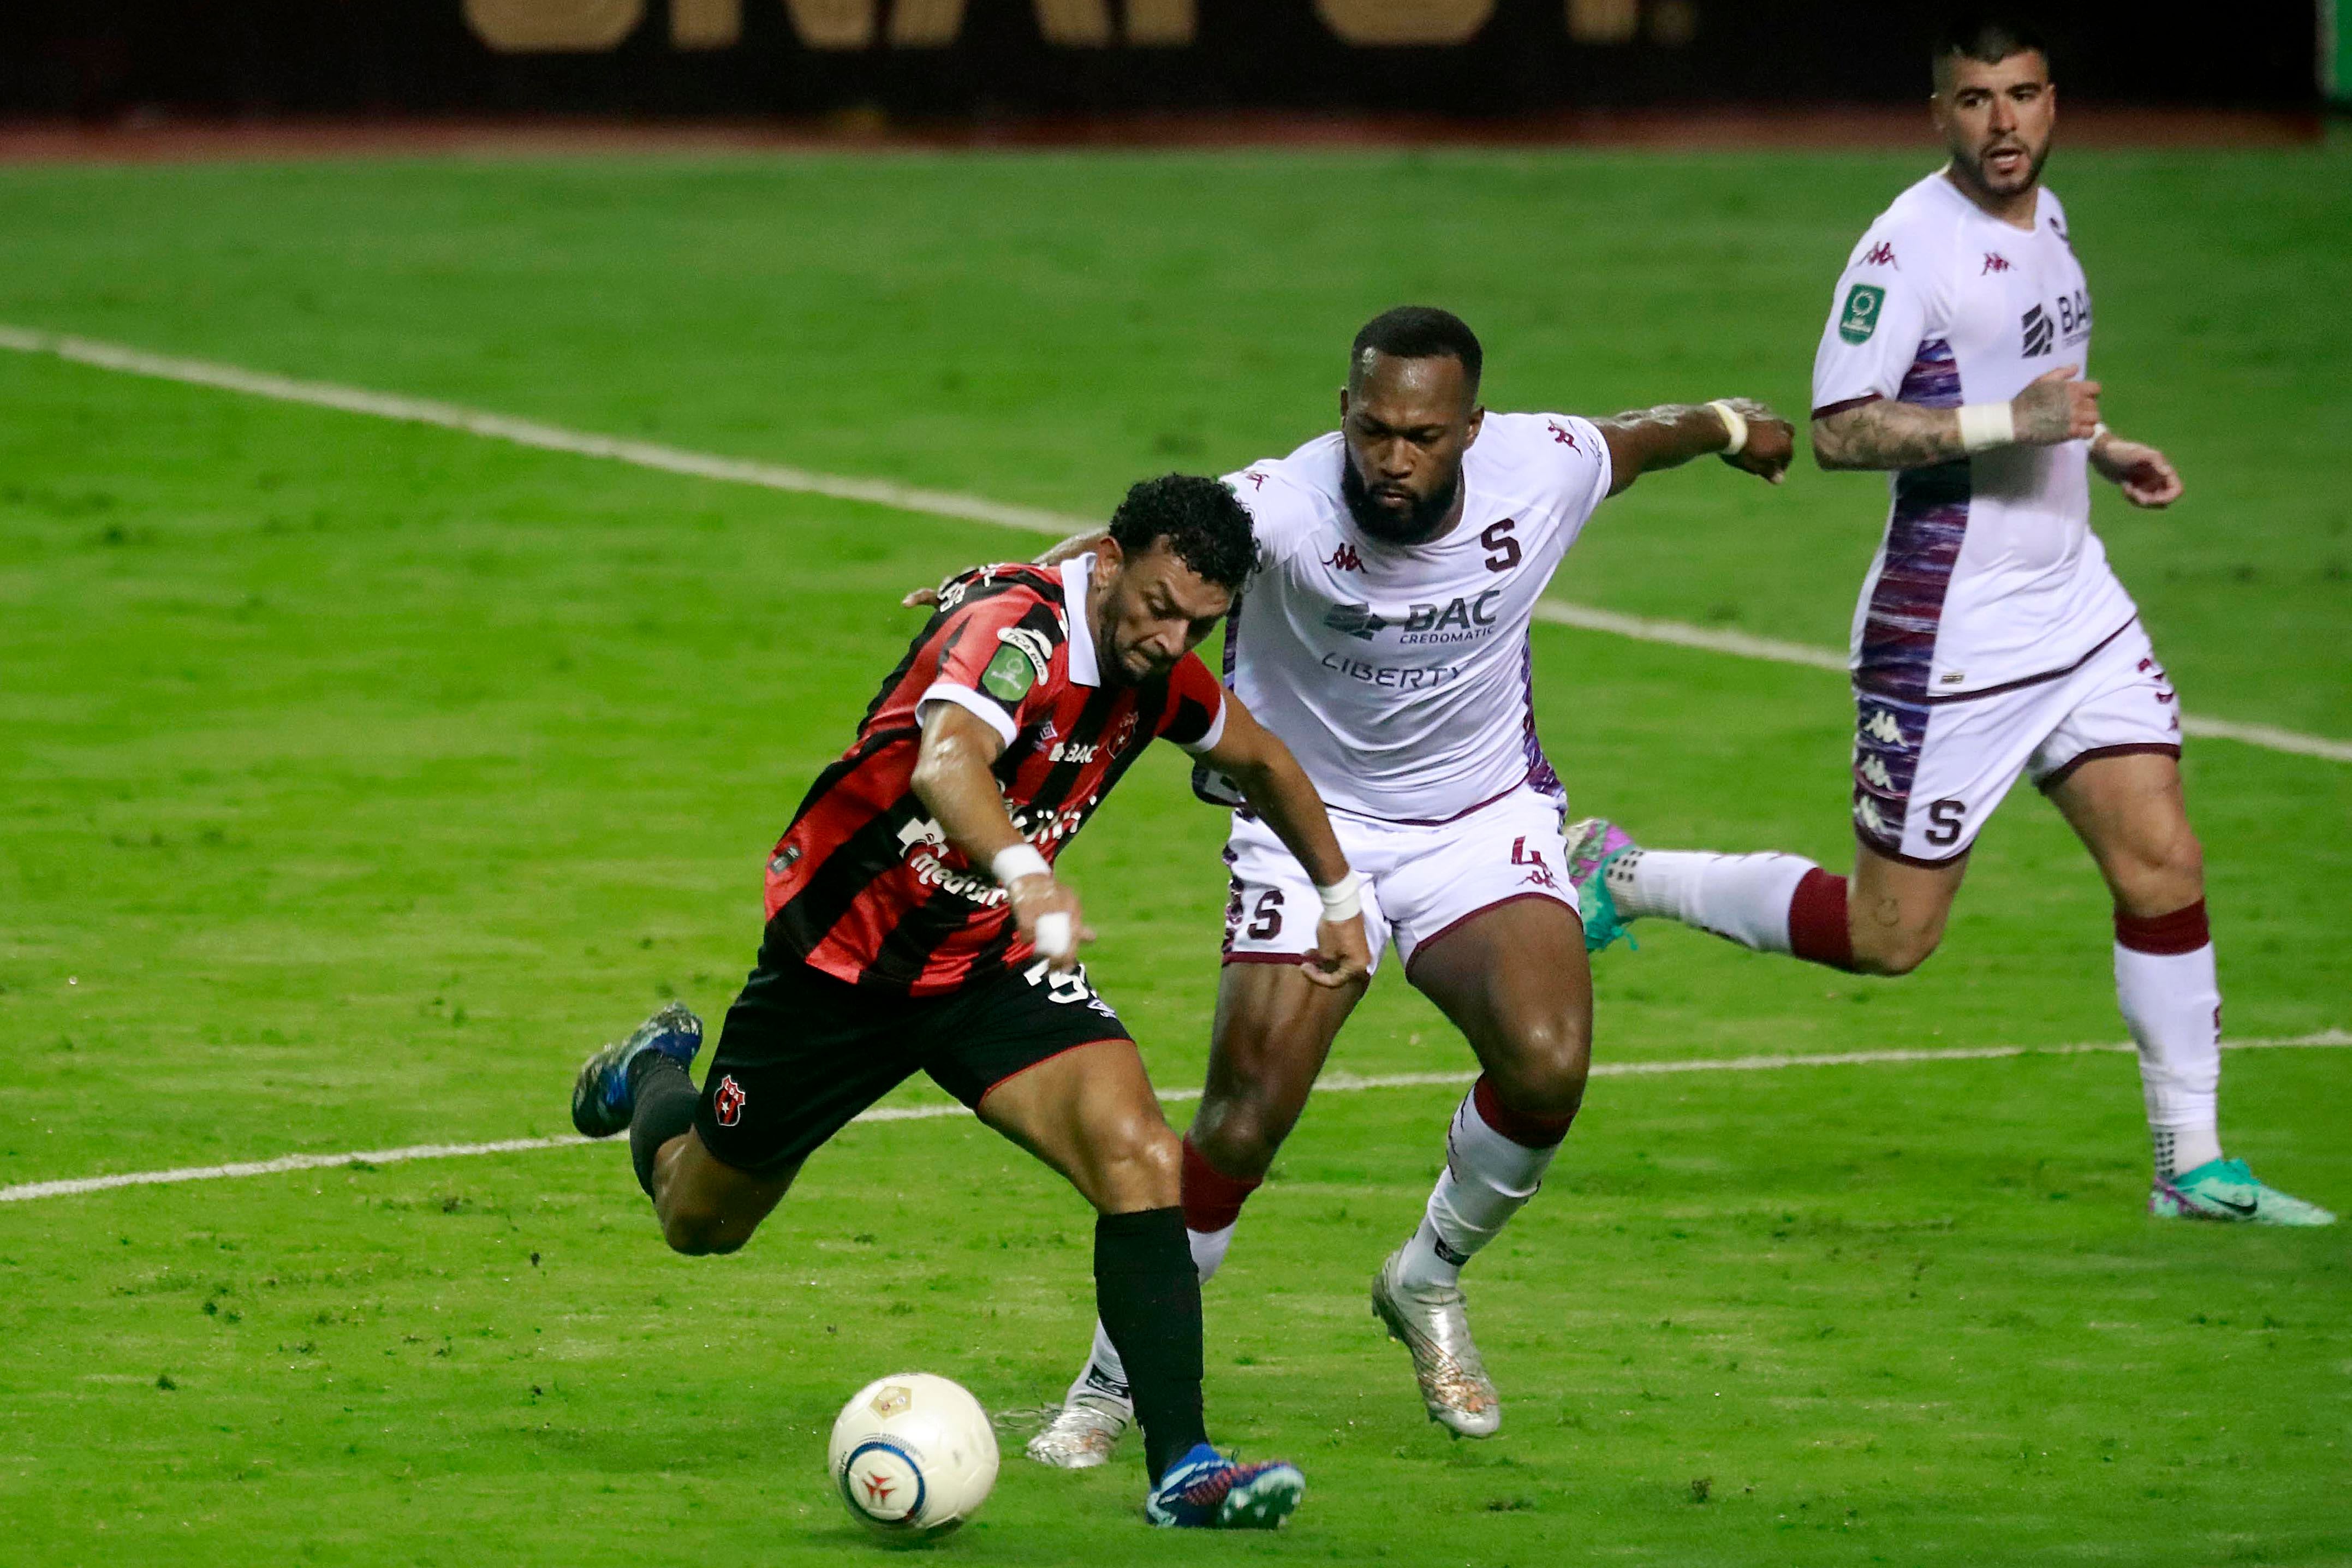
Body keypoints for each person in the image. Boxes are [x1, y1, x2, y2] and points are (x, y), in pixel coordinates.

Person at [912, 307, 1794, 1462]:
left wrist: (1732, 427)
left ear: (1471, 430)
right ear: (1345, 413)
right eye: (1373, 429)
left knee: (1547, 1062)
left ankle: (1424, 1280)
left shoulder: (1546, 468)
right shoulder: (1283, 504)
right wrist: (1016, 585)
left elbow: (1647, 434)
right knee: (1241, 1123)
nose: (1392, 458)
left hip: (1479, 821)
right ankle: (1112, 1381)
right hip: (1301, 824)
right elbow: (1141, 550)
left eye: (1422, 436)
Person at [1568, 15, 2332, 1227]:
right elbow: (1838, 427)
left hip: (2073, 601)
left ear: (2051, 99)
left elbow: (2033, 391)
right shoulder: (1904, 250)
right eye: (1974, 100)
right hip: (1952, 632)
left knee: (2162, 862)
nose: (2003, 123)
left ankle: (2190, 1165)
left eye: (2022, 95)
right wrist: (2010, 428)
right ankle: (1632, 872)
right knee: (1890, 937)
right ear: (1939, 113)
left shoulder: (2052, 220)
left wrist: (2098, 442)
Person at [569, 474, 1376, 1529]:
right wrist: (1026, 871)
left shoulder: (1158, 674)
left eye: (1198, 622)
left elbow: (1264, 761)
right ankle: (657, 1073)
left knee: (1137, 1153)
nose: (1171, 638)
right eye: (1158, 606)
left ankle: (1184, 1464)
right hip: (843, 964)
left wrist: (1342, 895)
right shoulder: (1017, 634)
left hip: (989, 964)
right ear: (1110, 560)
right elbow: (948, 763)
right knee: (699, 1220)